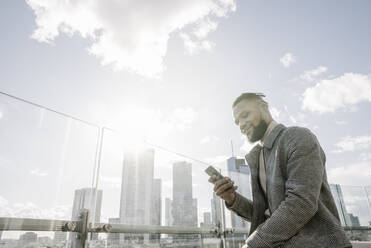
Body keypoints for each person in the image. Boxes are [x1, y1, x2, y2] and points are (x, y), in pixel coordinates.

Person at [209, 93, 352, 248]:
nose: (241, 124)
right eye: (237, 122)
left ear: (263, 107)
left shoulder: (297, 137)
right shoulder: (259, 156)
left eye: (245, 115)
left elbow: (301, 203)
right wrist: (232, 199)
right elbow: (266, 215)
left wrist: (252, 244)